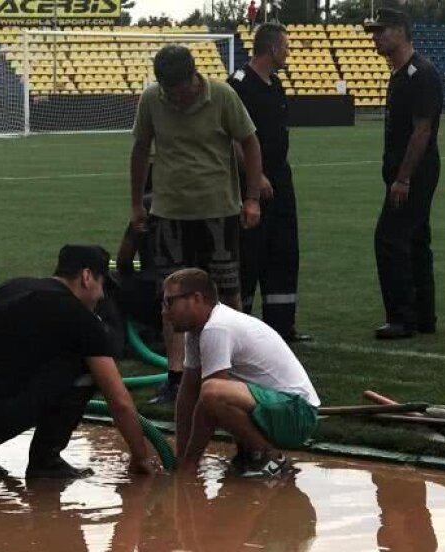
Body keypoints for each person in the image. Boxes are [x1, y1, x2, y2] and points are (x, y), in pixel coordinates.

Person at [0, 245, 156, 479]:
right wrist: (140, 457)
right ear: (87, 277)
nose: (101, 296)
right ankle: (45, 461)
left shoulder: (14, 286)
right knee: (87, 370)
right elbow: (119, 401)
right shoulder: (81, 318)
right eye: (101, 285)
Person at [130, 44, 264, 405]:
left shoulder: (222, 96)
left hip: (218, 209)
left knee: (228, 290)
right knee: (171, 297)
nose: (176, 98)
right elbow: (140, 149)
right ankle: (175, 377)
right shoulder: (151, 100)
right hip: (170, 211)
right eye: (169, 92)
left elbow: (249, 143)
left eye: (181, 90)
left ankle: (237, 369)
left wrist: (251, 198)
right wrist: (136, 205)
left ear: (194, 76)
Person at [162, 268, 321, 477]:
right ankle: (252, 455)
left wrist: (189, 465)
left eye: (169, 302)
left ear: (196, 299)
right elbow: (187, 395)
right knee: (212, 392)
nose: (164, 311)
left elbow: (208, 402)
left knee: (212, 392)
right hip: (279, 408)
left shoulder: (216, 328)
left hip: (297, 415)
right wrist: (181, 456)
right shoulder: (196, 332)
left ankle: (269, 457)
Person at [229, 23, 310, 344]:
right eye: (286, 46)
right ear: (273, 49)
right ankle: (243, 331)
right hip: (252, 185)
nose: (288, 52)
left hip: (281, 181)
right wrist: (254, 175)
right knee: (250, 255)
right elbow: (232, 137)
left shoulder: (275, 84)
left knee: (284, 252)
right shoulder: (239, 85)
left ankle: (282, 327)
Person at [366, 8, 444, 340]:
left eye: (381, 31)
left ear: (400, 31)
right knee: (415, 239)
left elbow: (421, 130)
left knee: (389, 239)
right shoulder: (402, 74)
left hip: (414, 172)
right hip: (408, 171)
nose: (376, 37)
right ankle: (424, 314)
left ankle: (401, 316)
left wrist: (403, 177)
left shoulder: (419, 74)